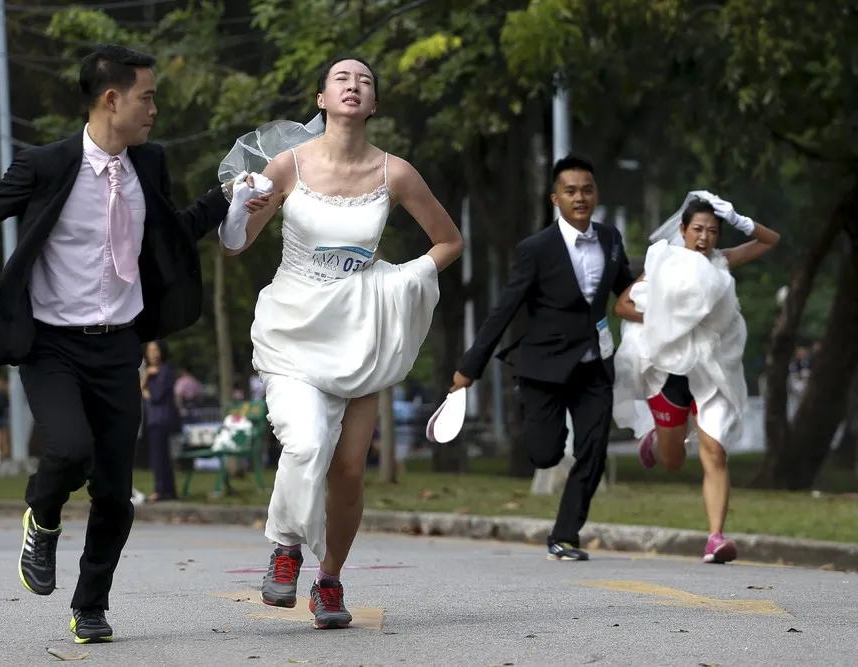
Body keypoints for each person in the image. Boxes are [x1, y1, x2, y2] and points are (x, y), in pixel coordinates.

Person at [0, 44, 271, 643]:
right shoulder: (46, 165)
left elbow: (171, 231)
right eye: (147, 96)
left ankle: (91, 605)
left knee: (115, 491)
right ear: (111, 100)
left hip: (118, 347)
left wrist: (227, 200)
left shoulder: (149, 163)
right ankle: (44, 512)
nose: (155, 109)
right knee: (67, 447)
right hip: (51, 344)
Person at [218, 55, 463, 629]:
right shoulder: (288, 165)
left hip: (360, 328)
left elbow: (448, 242)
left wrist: (399, 280)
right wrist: (237, 207)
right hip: (294, 326)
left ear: (374, 105)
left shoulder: (395, 173)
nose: (354, 87)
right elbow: (235, 245)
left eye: (366, 82)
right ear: (323, 98)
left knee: (349, 470)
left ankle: (328, 579)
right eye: (342, 79)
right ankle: (284, 548)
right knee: (305, 444)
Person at [451, 155, 635, 562]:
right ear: (556, 199)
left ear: (596, 194)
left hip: (594, 364)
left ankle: (565, 535)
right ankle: (530, 412)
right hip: (544, 366)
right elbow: (505, 307)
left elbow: (626, 286)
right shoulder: (536, 249)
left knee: (593, 450)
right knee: (546, 454)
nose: (580, 197)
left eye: (587, 189)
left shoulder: (610, 238)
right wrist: (470, 366)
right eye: (570, 191)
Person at [612, 194, 780, 564]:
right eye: (698, 230)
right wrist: (665, 322)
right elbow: (622, 306)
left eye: (713, 231)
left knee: (715, 451)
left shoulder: (722, 261)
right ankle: (655, 442)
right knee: (672, 461)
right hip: (670, 370)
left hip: (713, 369)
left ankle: (716, 537)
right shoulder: (662, 260)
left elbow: (771, 241)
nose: (704, 238)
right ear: (683, 230)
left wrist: (739, 218)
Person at [140, 340, 178, 501]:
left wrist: (144, 383)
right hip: (154, 419)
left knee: (159, 457)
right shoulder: (153, 372)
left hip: (160, 418)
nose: (153, 353)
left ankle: (161, 490)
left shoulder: (163, 372)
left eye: (155, 350)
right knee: (161, 455)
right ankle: (168, 490)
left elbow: (154, 396)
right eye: (150, 350)